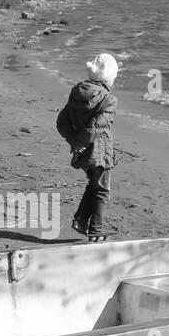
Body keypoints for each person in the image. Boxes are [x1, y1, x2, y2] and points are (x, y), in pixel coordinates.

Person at [58, 53, 119, 242]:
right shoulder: (109, 99)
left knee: (94, 186)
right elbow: (96, 126)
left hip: (84, 151)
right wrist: (81, 144)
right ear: (109, 77)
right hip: (99, 152)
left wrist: (75, 142)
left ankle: (81, 220)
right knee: (102, 190)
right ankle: (95, 229)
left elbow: (62, 122)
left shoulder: (77, 93)